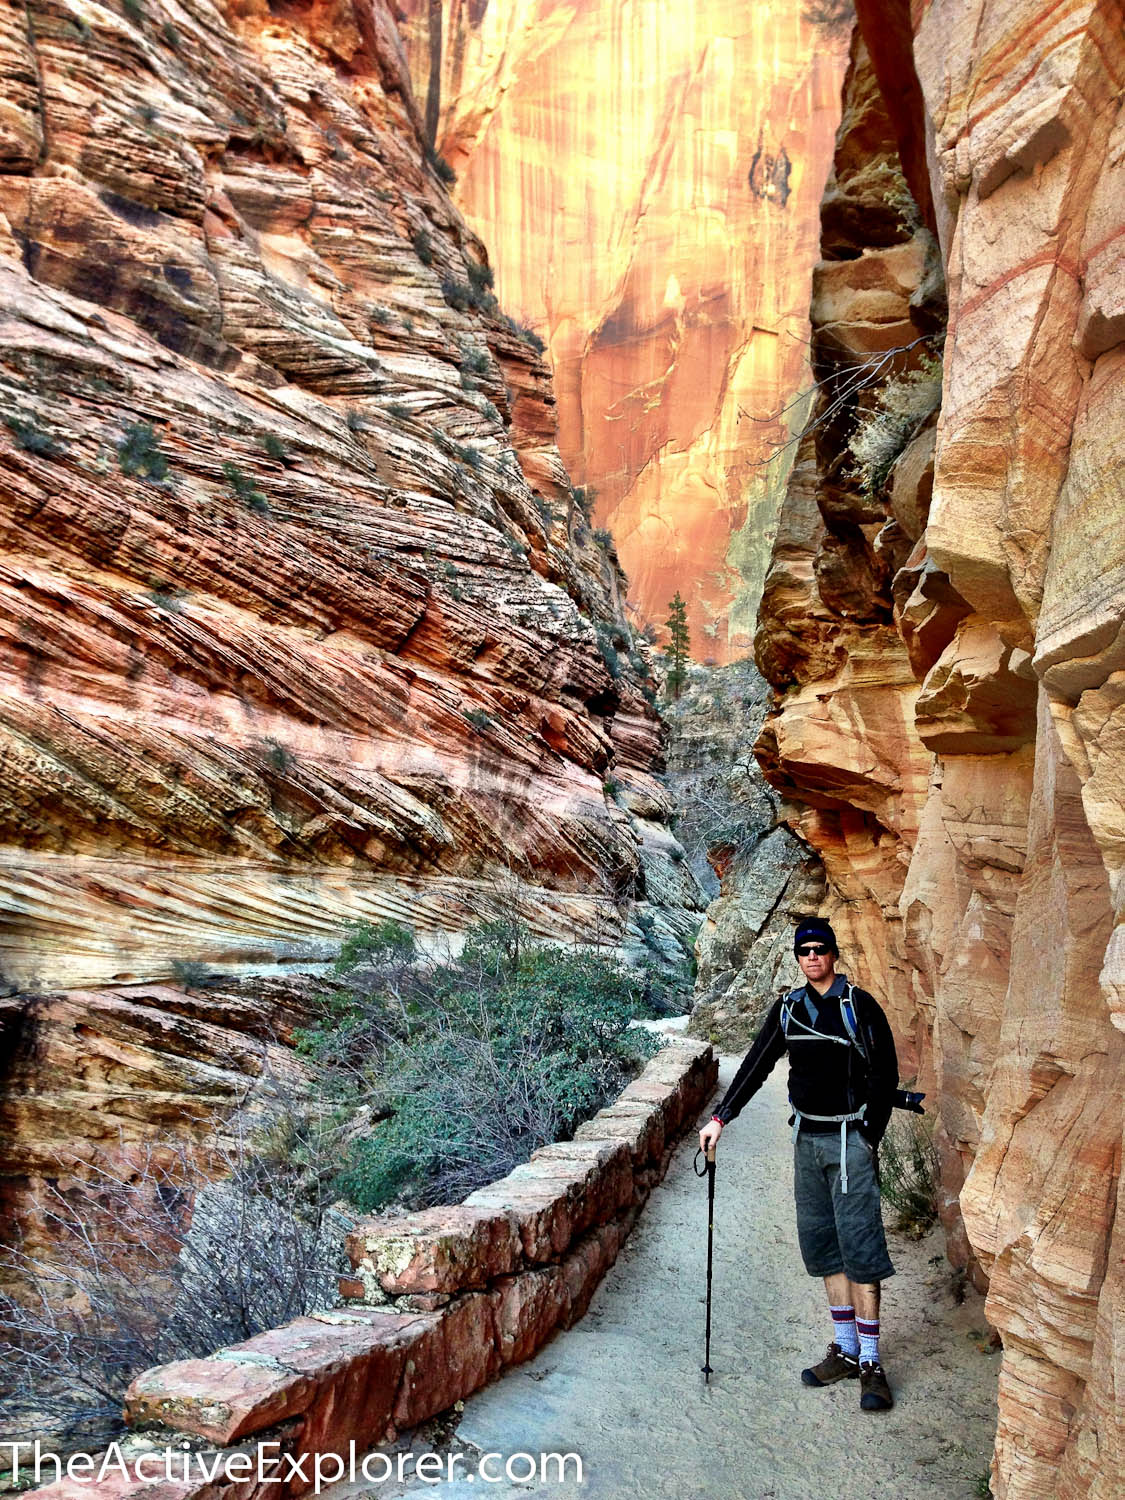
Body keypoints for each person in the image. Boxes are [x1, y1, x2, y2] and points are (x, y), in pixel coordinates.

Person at [697, 916, 899, 1412]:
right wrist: (721, 1118)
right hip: (807, 1138)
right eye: (804, 950)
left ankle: (871, 1360)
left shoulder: (858, 1006)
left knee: (860, 1246)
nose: (812, 957)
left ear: (834, 954)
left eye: (820, 949)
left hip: (850, 1139)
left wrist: (868, 1134)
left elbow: (885, 1074)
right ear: (797, 956)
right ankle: (846, 1349)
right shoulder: (790, 1009)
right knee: (824, 1245)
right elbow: (757, 1063)